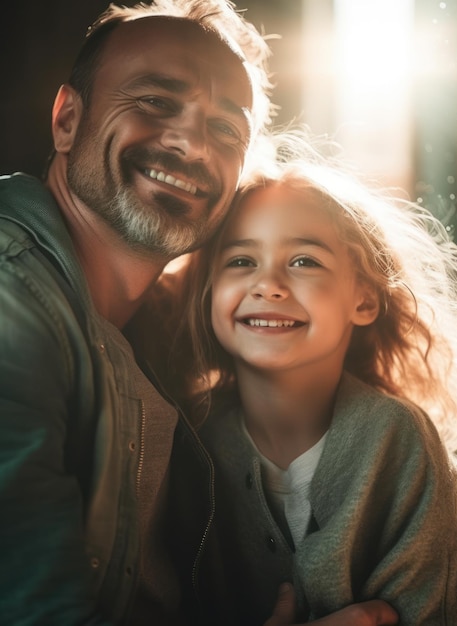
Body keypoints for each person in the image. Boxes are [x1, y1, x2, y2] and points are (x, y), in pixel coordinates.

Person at [0, 2, 397, 625]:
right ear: (68, 119)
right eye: (155, 102)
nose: (190, 143)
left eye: (226, 130)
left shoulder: (163, 336)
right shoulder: (11, 298)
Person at [153, 130, 457, 625]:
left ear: (363, 299)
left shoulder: (399, 439)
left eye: (304, 261)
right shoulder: (188, 442)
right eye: (241, 261)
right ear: (208, 292)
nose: (269, 285)